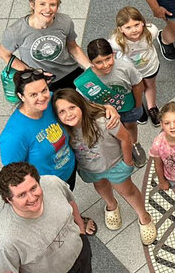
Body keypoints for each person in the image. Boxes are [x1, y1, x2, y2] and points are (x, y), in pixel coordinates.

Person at [53, 89, 157, 245]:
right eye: (62, 111)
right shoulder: (65, 130)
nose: (68, 114)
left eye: (72, 107)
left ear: (81, 105)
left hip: (115, 165)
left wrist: (128, 161)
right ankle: (111, 205)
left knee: (128, 191)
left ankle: (144, 216)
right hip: (90, 169)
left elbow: (125, 138)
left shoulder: (103, 121)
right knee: (101, 186)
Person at [0, 68, 119, 194]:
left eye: (44, 90)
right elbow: (13, 175)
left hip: (69, 170)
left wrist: (106, 108)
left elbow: (81, 106)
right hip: (47, 186)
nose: (42, 97)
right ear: (21, 96)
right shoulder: (13, 136)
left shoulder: (51, 100)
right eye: (33, 94)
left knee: (69, 199)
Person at [0, 162, 93, 272]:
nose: (32, 198)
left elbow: (71, 202)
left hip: (81, 253)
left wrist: (82, 231)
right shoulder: (4, 240)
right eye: (22, 195)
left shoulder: (53, 183)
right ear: (9, 199)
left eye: (33, 188)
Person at [0, 0, 90, 92]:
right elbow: (4, 54)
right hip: (43, 80)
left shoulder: (65, 21)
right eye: (42, 4)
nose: (47, 10)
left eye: (52, 5)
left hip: (70, 71)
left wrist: (89, 68)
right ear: (32, 5)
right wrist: (31, 72)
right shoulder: (16, 31)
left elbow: (73, 47)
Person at [74, 39, 147, 168]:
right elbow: (85, 103)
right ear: (91, 62)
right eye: (99, 62)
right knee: (114, 133)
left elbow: (137, 85)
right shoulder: (85, 83)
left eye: (108, 59)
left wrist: (138, 105)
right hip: (104, 114)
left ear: (113, 54)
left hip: (128, 106)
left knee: (130, 125)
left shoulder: (125, 67)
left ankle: (134, 143)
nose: (105, 65)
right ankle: (123, 147)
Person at [109, 6, 161, 127]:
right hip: (130, 72)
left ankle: (152, 107)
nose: (134, 30)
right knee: (134, 88)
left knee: (150, 85)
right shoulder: (116, 42)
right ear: (120, 29)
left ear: (143, 23)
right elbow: (111, 54)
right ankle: (139, 107)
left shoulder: (151, 32)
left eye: (136, 25)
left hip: (150, 67)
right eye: (128, 27)